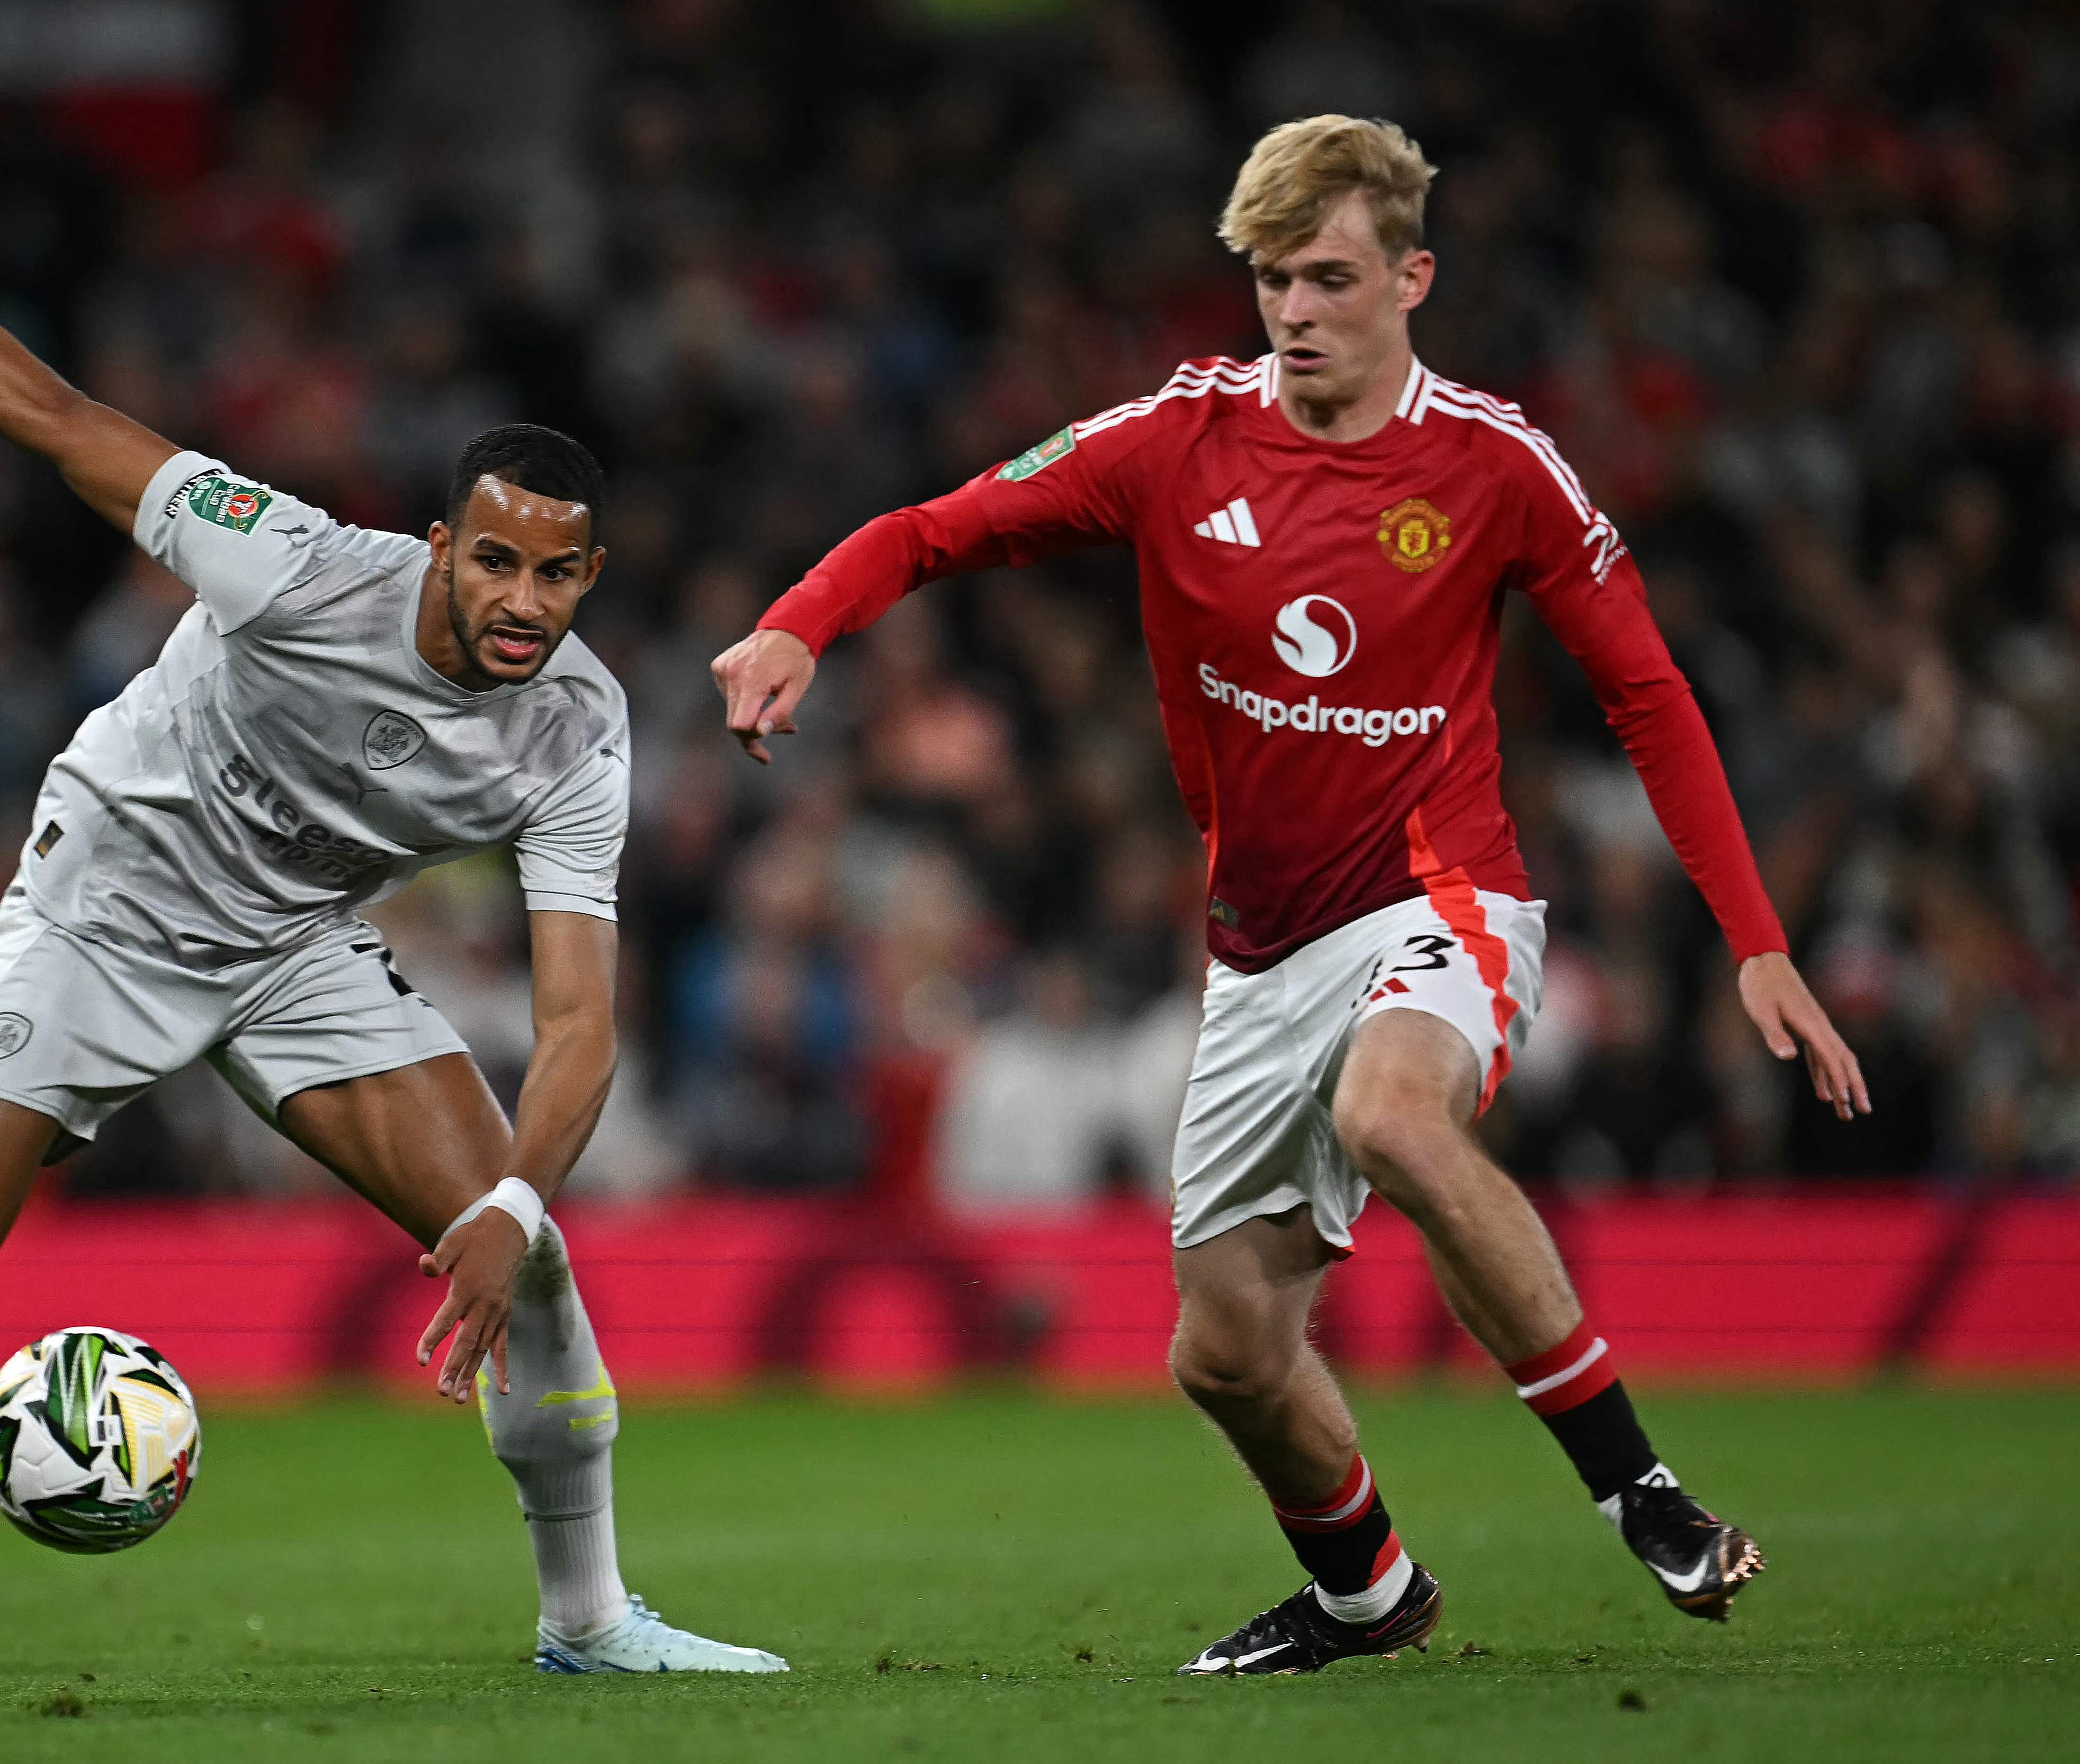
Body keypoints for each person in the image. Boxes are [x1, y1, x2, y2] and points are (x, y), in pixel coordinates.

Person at [711, 115, 1870, 1678]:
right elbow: (933, 531)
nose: (1296, 312)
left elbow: (1649, 695)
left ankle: (1640, 1488)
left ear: (1413, 276)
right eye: (1270, 281)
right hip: (1260, 948)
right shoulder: (1172, 442)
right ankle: (1370, 1596)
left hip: (1439, 892)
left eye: (1328, 278)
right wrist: (798, 623)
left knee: (1397, 1117)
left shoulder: (1499, 464)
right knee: (1226, 1350)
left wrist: (1757, 941)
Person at [0, 93, 783, 1678]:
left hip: (295, 943)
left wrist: (514, 1204)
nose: (523, 600)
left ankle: (590, 1622)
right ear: (441, 542)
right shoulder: (299, 563)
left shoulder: (576, 730)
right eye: (496, 561)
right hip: (106, 906)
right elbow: (55, 417)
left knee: (522, 1258)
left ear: (590, 574)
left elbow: (582, 1020)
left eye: (558, 573)